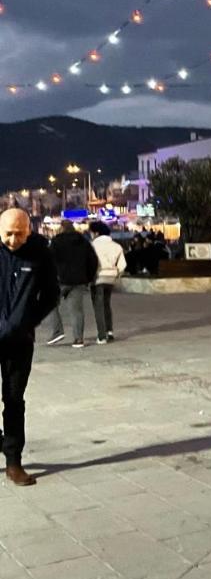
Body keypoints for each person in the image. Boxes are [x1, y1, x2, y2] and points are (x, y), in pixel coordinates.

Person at [0, 208, 60, 486]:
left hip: (19, 343)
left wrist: (27, 321)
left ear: (29, 230)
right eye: (8, 234)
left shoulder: (39, 254)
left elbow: (51, 295)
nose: (13, 239)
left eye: (19, 234)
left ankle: (14, 462)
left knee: (13, 402)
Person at [46, 219, 98, 348]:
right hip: (78, 280)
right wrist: (88, 277)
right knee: (77, 311)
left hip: (60, 280)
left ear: (62, 228)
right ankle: (78, 339)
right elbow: (93, 261)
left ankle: (57, 331)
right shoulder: (83, 242)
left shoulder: (56, 242)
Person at [89, 221, 126, 344]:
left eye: (92, 232)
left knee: (98, 306)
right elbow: (122, 265)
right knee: (106, 304)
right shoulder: (116, 246)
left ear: (96, 233)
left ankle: (101, 335)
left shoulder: (92, 246)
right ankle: (109, 331)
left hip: (98, 277)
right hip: (111, 277)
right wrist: (117, 274)